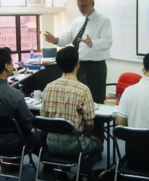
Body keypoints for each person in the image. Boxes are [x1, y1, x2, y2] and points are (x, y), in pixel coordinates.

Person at [44, 0, 112, 143]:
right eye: (79, 6)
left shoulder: (103, 21)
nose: (81, 8)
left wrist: (92, 43)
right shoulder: (77, 21)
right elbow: (67, 37)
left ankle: (96, 139)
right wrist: (56, 40)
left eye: (84, 5)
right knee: (78, 102)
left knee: (94, 103)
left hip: (95, 67)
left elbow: (108, 42)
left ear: (92, 4)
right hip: (78, 66)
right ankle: (79, 137)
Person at [40, 46, 103, 181]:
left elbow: (43, 118)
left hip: (51, 143)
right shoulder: (83, 89)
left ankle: (60, 171)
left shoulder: (48, 87)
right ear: (77, 64)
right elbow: (90, 122)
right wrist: (89, 136)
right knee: (99, 146)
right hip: (74, 145)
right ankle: (80, 174)